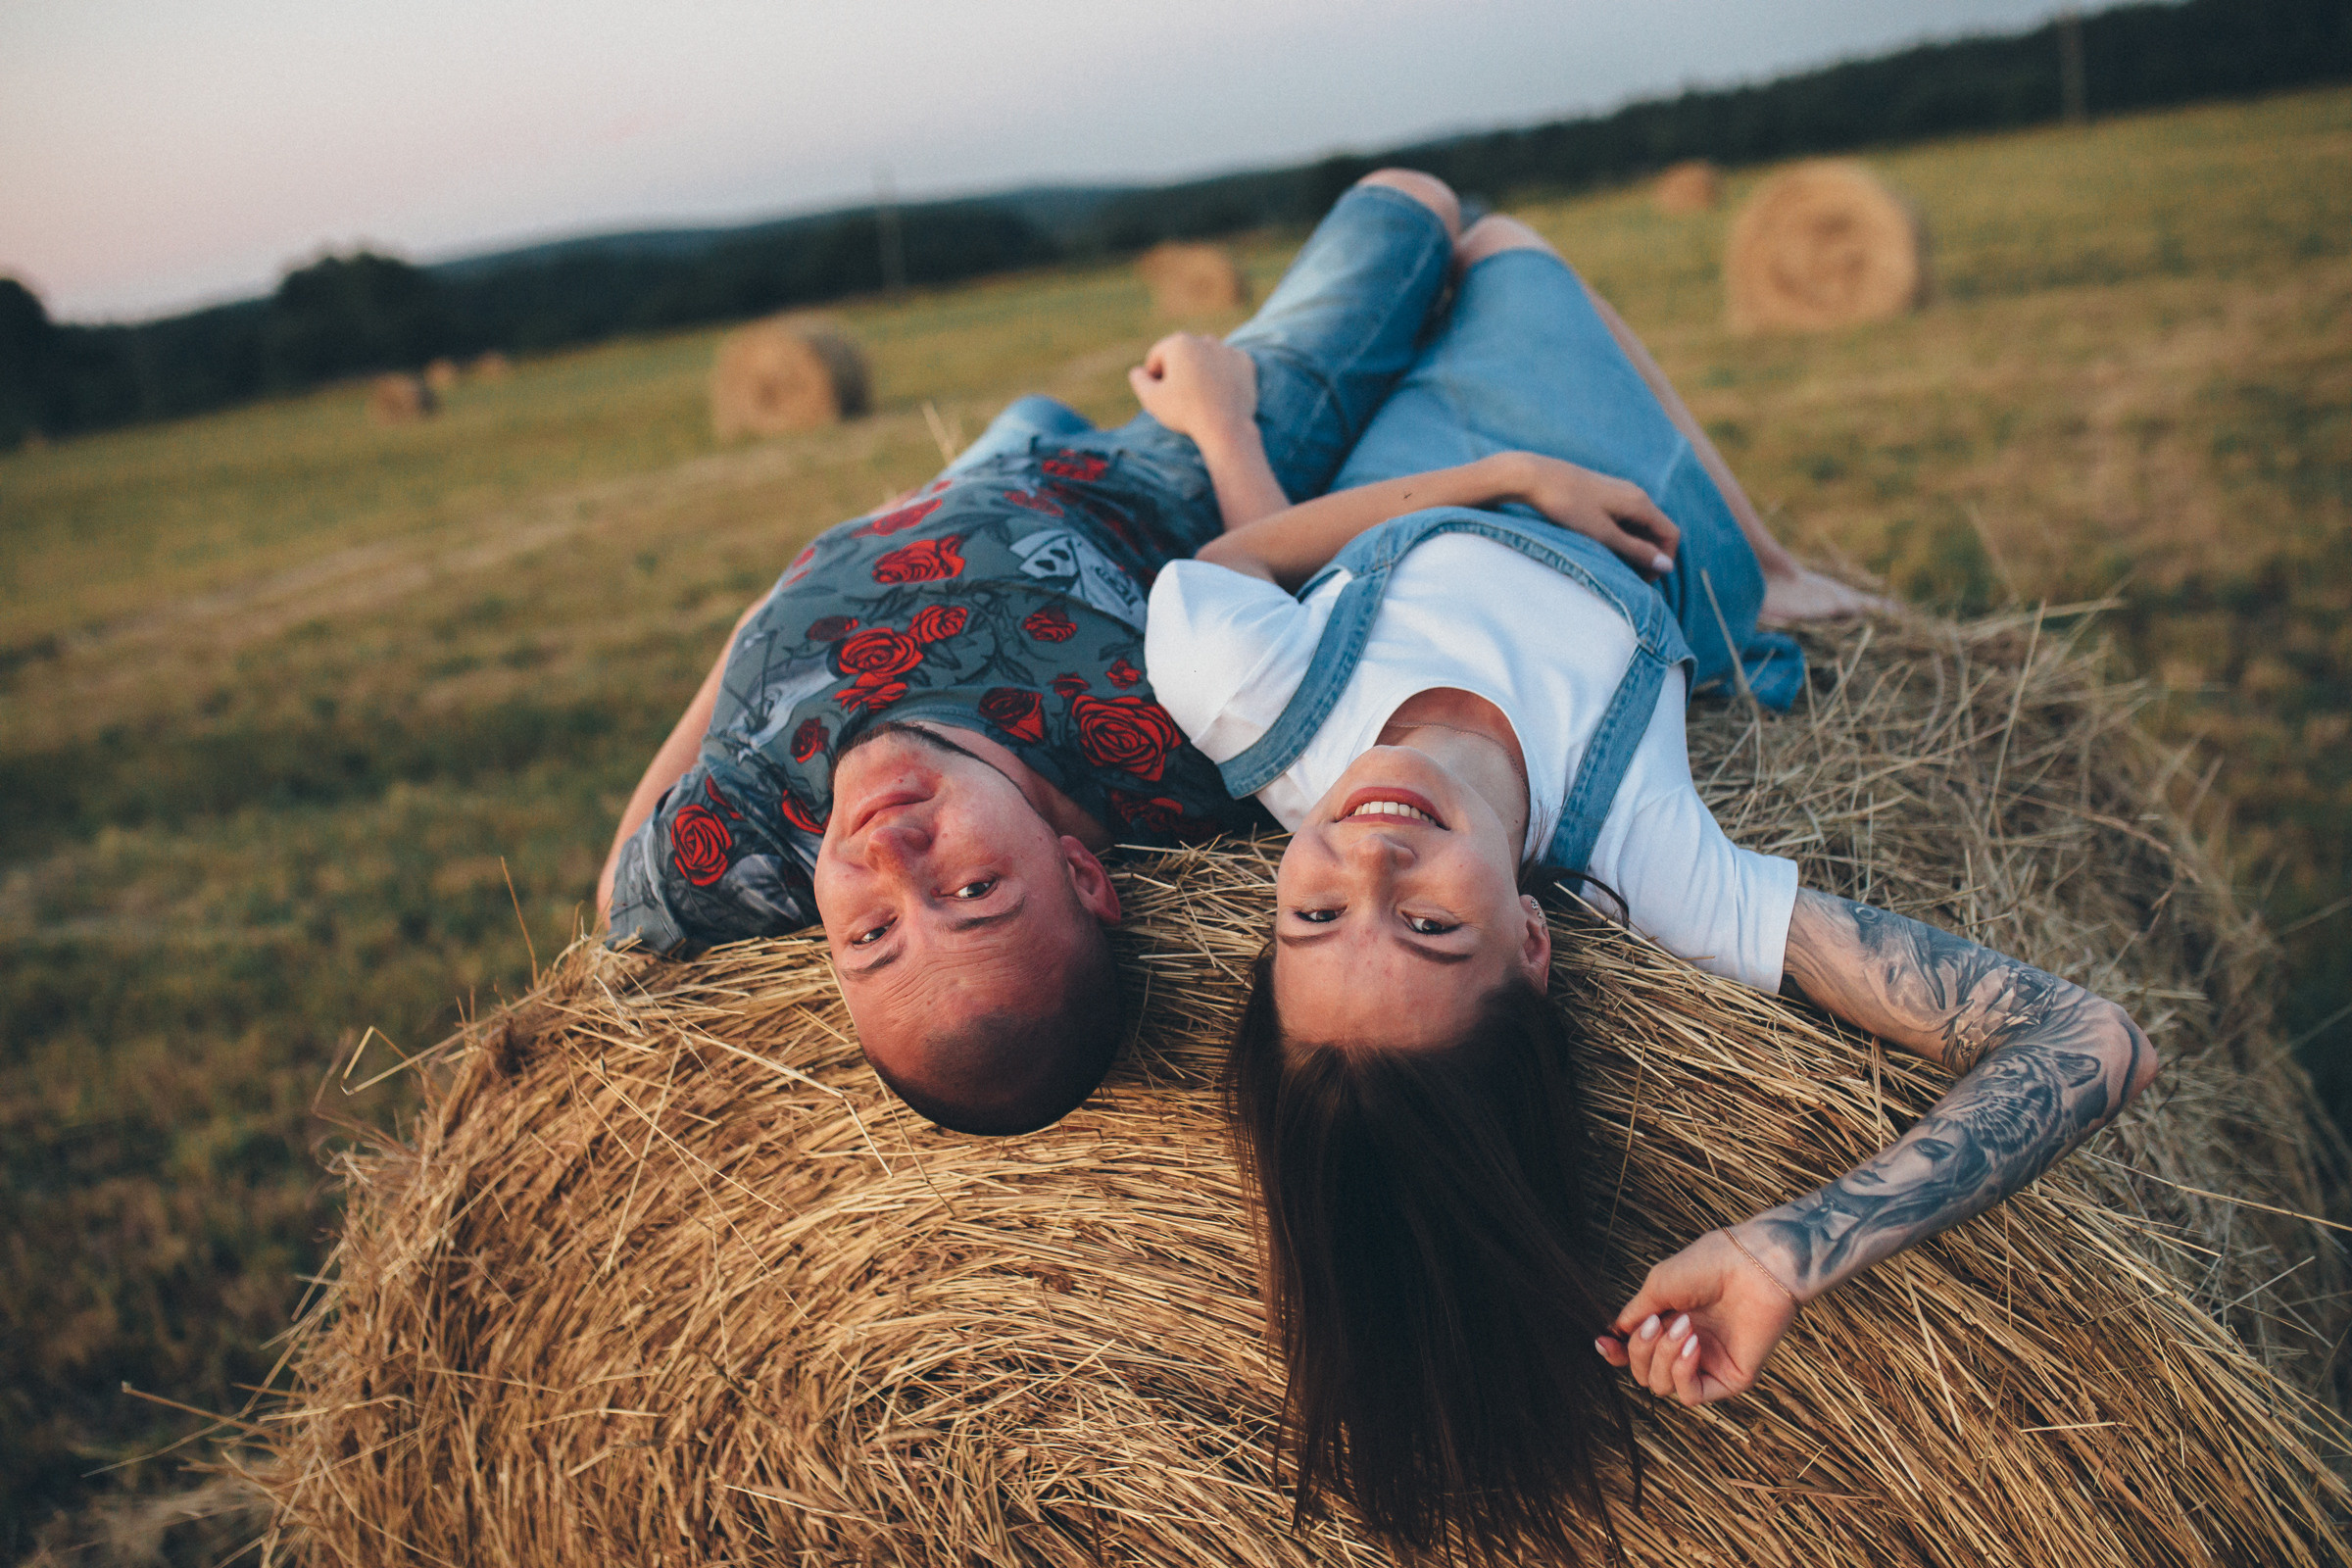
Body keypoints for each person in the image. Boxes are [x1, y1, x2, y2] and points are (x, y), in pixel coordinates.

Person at [1136, 216, 2155, 1560]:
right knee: (1510, 242)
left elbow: (1234, 572)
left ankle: (1768, 562)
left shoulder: (1253, 706)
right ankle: (1768, 565)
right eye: (1431, 925)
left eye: (1311, 914)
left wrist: (1448, 466)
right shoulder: (1651, 866)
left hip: (1448, 467)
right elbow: (2088, 1041)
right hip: (1654, 535)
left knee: (1441, 217)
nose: (1368, 858)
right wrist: (1789, 1251)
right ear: (1536, 943)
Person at [599, 170, 1481, 1136]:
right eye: (973, 890)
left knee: (1027, 415)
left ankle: (1033, 421)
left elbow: (616, 900)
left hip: (951, 489)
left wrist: (748, 631)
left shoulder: (746, 847)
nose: (891, 856)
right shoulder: (1162, 758)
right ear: (1083, 872)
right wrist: (1219, 421)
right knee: (1410, 210)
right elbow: (1290, 605)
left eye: (870, 933)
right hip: (1149, 471)